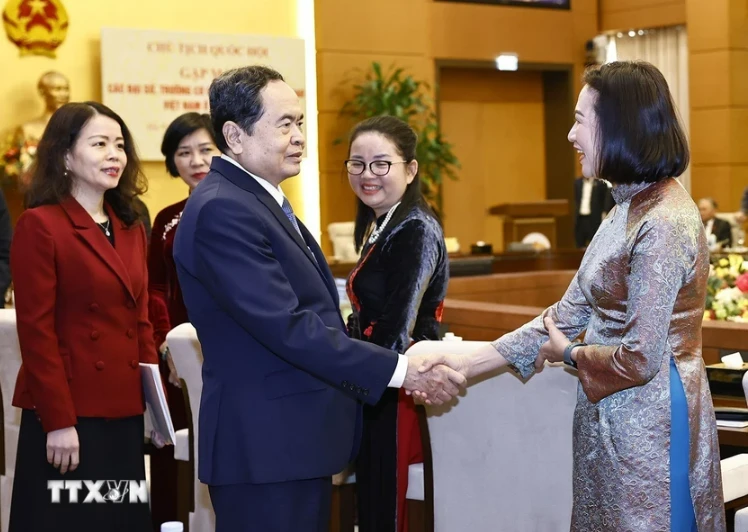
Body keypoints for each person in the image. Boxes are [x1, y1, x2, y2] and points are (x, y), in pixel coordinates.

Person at [421, 61, 726, 531]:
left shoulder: (662, 221)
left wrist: (573, 353)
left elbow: (642, 358)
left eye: (581, 119)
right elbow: (563, 315)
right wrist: (467, 363)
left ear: (618, 125)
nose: (570, 134)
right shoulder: (625, 206)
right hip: (612, 422)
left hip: (654, 427)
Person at [172, 65, 464, 532]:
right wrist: (402, 370)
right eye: (284, 124)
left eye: (301, 122)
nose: (299, 137)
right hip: (265, 447)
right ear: (235, 135)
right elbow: (287, 326)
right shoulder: (225, 208)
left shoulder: (254, 199)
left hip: (287, 443)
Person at [9, 101, 164, 532]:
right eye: (99, 144)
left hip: (123, 412)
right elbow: (36, 333)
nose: (114, 154)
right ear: (64, 156)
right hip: (70, 416)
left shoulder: (131, 225)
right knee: (70, 520)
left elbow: (142, 322)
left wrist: (154, 406)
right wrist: (58, 421)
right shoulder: (40, 225)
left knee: (119, 518)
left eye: (119, 145)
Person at [344, 116, 448, 532]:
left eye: (381, 164)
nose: (368, 175)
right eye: (357, 164)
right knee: (370, 499)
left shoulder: (415, 228)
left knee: (386, 506)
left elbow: (396, 327)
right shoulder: (385, 221)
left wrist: (346, 374)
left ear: (411, 169)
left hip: (394, 385)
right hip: (377, 380)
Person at [147, 112, 220, 527]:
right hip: (175, 358)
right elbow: (155, 289)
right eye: (183, 152)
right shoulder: (166, 219)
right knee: (174, 450)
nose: (195, 160)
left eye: (205, 150)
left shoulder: (242, 208)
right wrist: (168, 344)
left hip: (228, 355)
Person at [573, 174, 614, 248]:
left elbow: (604, 201)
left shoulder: (600, 184)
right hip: (580, 219)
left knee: (594, 245)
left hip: (594, 219)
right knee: (579, 245)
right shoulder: (577, 183)